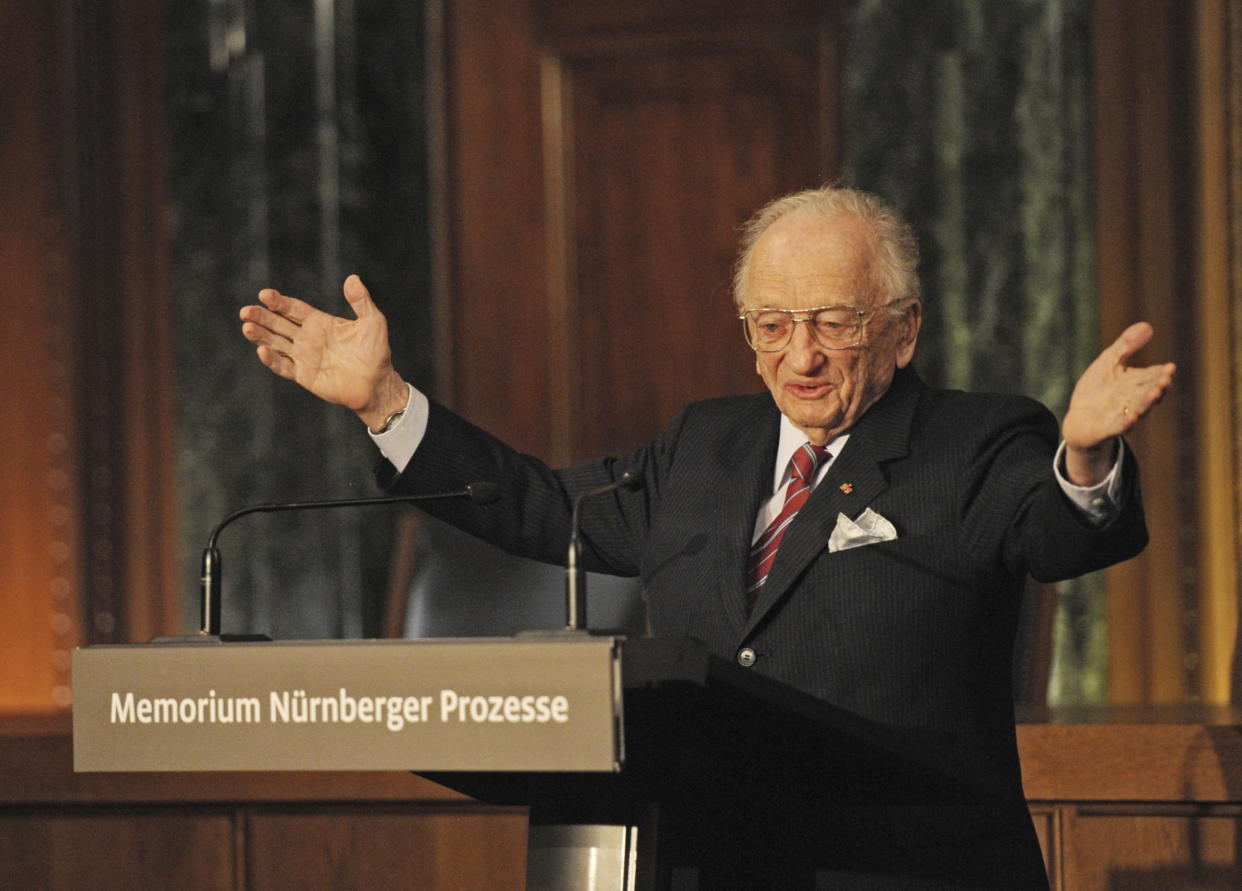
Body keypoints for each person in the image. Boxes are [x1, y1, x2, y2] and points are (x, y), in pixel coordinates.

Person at [239, 186, 1175, 888]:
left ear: (901, 331)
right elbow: (533, 504)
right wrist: (386, 405)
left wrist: (1084, 457)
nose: (798, 355)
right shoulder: (702, 446)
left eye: (832, 323)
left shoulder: (976, 442)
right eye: (770, 323)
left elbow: (1060, 531)